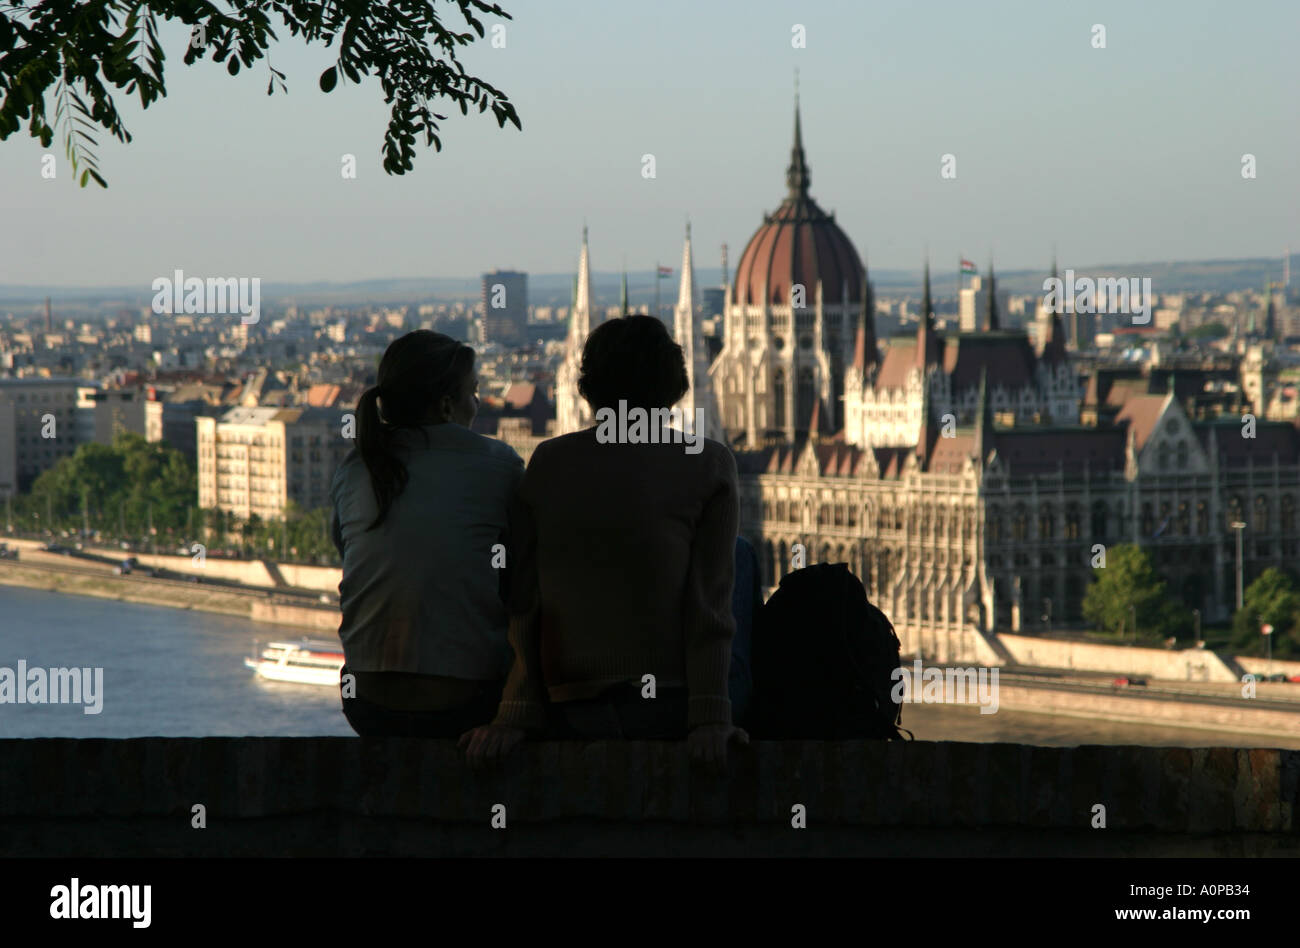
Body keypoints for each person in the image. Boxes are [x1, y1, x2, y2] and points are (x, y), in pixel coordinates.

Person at [460, 315, 748, 771]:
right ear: (676, 386)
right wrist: (710, 717)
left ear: (587, 388)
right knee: (742, 559)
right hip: (668, 706)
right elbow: (709, 608)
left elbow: (525, 600)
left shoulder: (550, 461)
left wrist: (515, 713)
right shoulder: (709, 463)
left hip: (568, 705)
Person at [330, 330, 523, 737]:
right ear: (447, 404)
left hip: (368, 703)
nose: (478, 403)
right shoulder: (499, 464)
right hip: (467, 703)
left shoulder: (355, 466)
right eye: (473, 392)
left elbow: (351, 555)